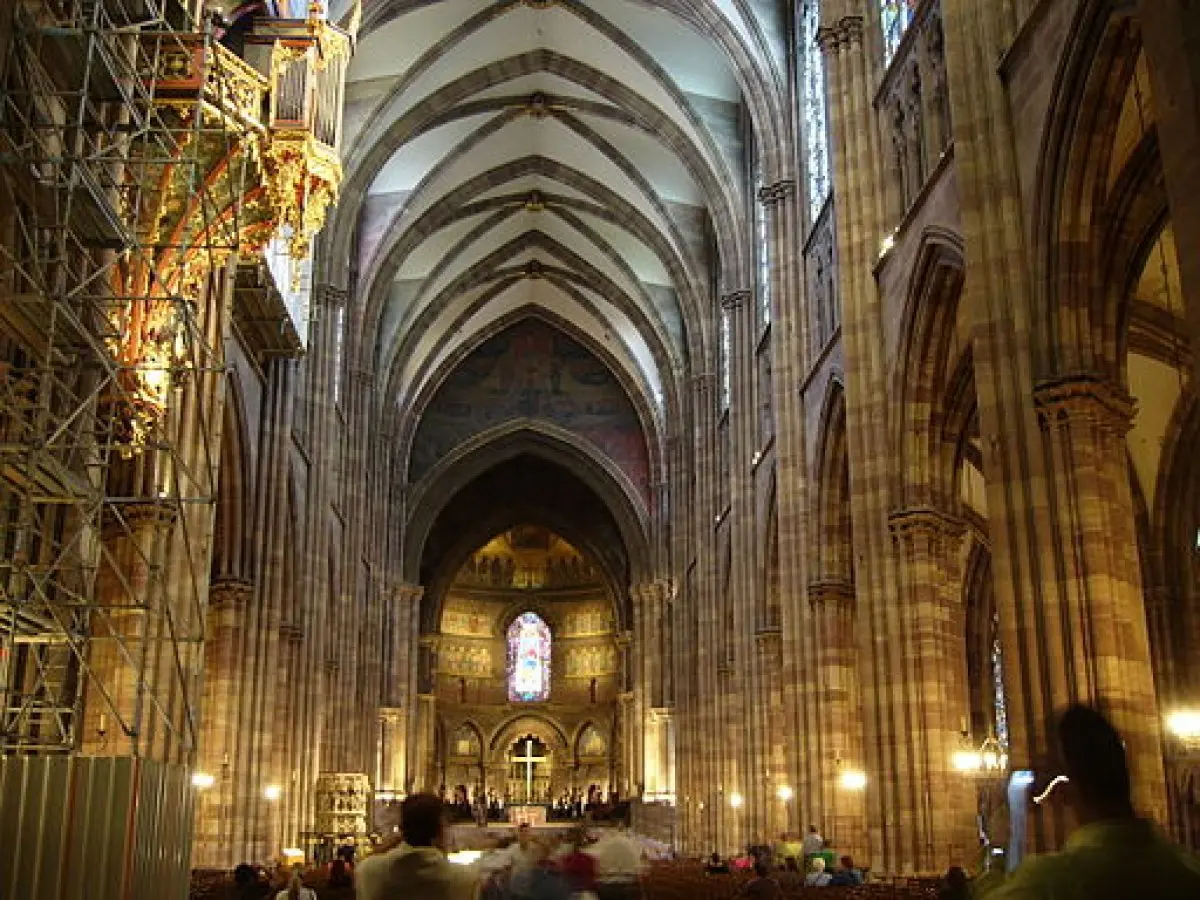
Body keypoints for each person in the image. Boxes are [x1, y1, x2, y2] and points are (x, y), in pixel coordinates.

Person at [987, 704, 1200, 899]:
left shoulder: (1051, 883)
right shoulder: (1188, 869)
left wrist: (998, 851)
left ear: (1062, 785)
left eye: (1042, 765)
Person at [356, 792, 479, 900]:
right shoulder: (467, 879)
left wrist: (388, 844)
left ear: (401, 830)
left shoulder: (369, 872)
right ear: (440, 830)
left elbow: (362, 864)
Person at [586, 825, 646, 900]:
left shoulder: (601, 847)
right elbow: (639, 869)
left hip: (606, 885)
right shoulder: (632, 845)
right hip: (629, 885)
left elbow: (596, 868)